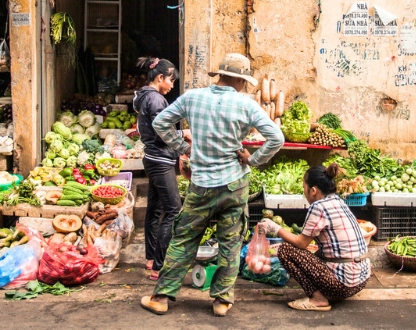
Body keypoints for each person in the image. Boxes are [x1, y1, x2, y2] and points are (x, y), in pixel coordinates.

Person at [140, 53, 285, 317]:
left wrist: (183, 148)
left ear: (220, 75)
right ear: (241, 80)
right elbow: (276, 137)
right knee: (230, 243)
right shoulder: (246, 104)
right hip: (234, 185)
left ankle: (161, 297)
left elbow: (160, 122)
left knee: (183, 239)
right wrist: (253, 160)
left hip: (201, 185)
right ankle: (221, 301)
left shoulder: (193, 97)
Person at [257, 163, 370, 311]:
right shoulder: (339, 201)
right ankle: (325, 293)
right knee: (314, 254)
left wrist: (275, 227)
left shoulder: (318, 207)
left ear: (313, 190)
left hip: (343, 285)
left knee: (286, 250)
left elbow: (301, 243)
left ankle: (318, 299)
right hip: (361, 279)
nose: (304, 193)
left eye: (304, 188)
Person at [132, 57, 187, 281]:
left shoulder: (145, 96)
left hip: (152, 159)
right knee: (174, 210)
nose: (172, 86)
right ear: (160, 77)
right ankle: (159, 266)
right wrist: (184, 136)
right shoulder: (156, 100)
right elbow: (161, 131)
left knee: (154, 210)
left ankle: (150, 258)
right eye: (171, 81)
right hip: (161, 162)